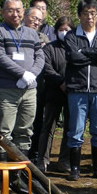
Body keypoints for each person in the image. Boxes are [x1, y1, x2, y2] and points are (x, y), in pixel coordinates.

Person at [64, 0, 97, 181]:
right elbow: (73, 58)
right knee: (75, 131)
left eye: (93, 13)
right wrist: (95, 54)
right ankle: (75, 168)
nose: (89, 17)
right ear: (79, 15)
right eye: (85, 13)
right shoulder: (71, 36)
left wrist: (84, 52)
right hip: (77, 90)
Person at [0, 0, 44, 161]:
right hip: (7, 89)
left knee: (25, 131)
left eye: (18, 10)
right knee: (4, 132)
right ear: (3, 12)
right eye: (10, 10)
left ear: (23, 12)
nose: (15, 14)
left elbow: (40, 56)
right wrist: (21, 73)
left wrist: (31, 74)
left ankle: (19, 174)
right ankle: (3, 175)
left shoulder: (32, 33)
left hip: (29, 90)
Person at [37, 16, 73, 173]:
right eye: (61, 30)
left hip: (72, 93)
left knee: (70, 128)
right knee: (48, 127)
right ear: (56, 31)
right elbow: (47, 68)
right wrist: (60, 82)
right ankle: (43, 159)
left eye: (67, 30)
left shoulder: (75, 47)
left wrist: (70, 84)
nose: (64, 32)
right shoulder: (49, 48)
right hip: (53, 92)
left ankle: (64, 160)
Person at [23, 6, 50, 161]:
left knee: (36, 123)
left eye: (39, 20)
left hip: (38, 87)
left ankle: (31, 156)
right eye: (34, 18)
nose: (36, 22)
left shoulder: (43, 38)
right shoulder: (15, 34)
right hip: (15, 87)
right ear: (25, 17)